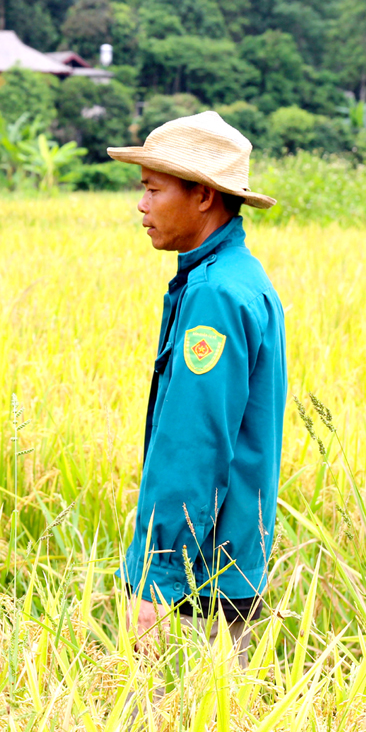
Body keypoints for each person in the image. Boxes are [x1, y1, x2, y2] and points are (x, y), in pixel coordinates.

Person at [107, 112, 287, 667]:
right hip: (230, 562)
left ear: (204, 196)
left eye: (153, 190)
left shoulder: (215, 295)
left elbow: (195, 445)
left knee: (166, 729)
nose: (141, 205)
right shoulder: (237, 277)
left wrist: (158, 576)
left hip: (198, 581)